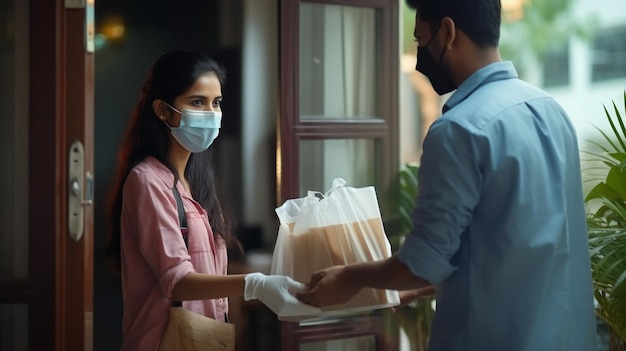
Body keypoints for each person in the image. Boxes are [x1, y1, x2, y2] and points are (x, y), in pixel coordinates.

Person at [297, 1, 598, 350]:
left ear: (448, 32)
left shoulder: (459, 129)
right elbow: (515, 251)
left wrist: (350, 276)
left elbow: (423, 262)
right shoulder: (552, 112)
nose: (419, 51)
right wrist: (419, 285)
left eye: (420, 37)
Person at [104, 49, 319, 350]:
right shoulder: (147, 181)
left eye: (215, 102)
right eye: (197, 102)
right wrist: (254, 284)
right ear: (163, 111)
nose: (210, 113)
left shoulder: (196, 183)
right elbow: (178, 280)